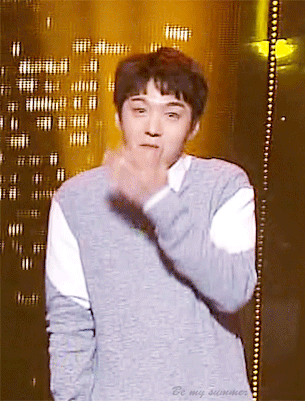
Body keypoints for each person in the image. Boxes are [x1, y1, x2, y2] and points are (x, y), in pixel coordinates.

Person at [45, 47, 257, 400]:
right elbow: (70, 322)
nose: (152, 129)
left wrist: (160, 201)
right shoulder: (76, 200)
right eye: (139, 110)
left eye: (172, 114)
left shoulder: (224, 185)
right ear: (119, 117)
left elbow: (233, 290)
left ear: (194, 126)